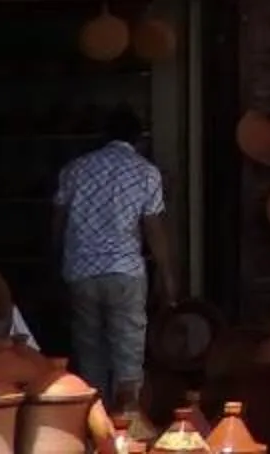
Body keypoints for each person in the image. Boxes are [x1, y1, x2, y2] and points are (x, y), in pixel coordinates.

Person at [54, 106, 175, 406]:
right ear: (139, 138)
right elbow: (154, 230)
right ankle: (127, 428)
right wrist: (167, 276)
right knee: (128, 356)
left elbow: (57, 223)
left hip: (81, 272)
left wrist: (56, 264)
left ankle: (95, 427)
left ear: (104, 135)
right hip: (125, 273)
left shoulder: (75, 169)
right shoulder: (146, 173)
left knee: (90, 354)